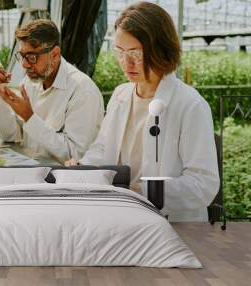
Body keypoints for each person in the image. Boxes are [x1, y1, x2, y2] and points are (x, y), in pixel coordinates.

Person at [65, 2, 219, 221]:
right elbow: (103, 148)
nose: (126, 62)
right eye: (120, 52)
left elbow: (203, 185)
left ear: (160, 49)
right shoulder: (121, 95)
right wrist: (83, 167)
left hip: (173, 225)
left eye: (135, 53)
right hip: (123, 214)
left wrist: (140, 191)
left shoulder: (190, 104)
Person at [0, 19, 104, 163]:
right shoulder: (29, 83)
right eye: (22, 56)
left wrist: (29, 117)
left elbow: (75, 155)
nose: (24, 64)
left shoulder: (82, 91)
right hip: (33, 174)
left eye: (31, 57)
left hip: (62, 182)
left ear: (54, 54)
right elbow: (10, 136)